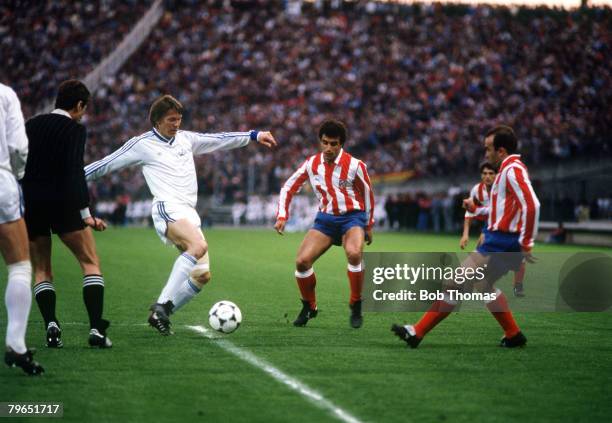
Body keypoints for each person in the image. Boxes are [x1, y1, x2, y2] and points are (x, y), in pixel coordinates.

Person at [85, 94, 277, 335]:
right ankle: (162, 304)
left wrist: (253, 135)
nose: (176, 124)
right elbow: (106, 164)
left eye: (179, 119)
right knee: (197, 246)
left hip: (189, 213)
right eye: (171, 120)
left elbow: (218, 140)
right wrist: (72, 178)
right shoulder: (142, 144)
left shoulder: (185, 139)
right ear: (156, 121)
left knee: (202, 275)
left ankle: (161, 314)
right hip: (167, 207)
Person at [392, 125, 540, 348]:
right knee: (481, 285)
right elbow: (501, 210)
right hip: (498, 239)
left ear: (501, 151)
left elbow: (532, 204)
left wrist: (527, 242)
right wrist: (477, 209)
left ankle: (417, 332)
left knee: (454, 282)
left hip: (502, 241)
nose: (485, 154)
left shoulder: (512, 170)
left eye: (488, 149)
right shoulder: (508, 170)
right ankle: (513, 334)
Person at [22, 79, 111, 349]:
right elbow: (75, 173)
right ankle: (96, 329)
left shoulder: (31, 125)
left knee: (42, 270)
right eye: (84, 108)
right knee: (90, 263)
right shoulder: (75, 130)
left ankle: (51, 323)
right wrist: (86, 214)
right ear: (79, 104)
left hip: (32, 204)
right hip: (63, 204)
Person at [274, 119, 374, 328]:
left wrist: (369, 224)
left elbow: (367, 194)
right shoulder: (312, 164)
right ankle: (310, 307)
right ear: (320, 141)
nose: (328, 148)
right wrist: (282, 215)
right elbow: (288, 187)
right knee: (302, 262)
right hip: (326, 221)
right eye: (325, 142)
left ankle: (356, 303)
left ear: (341, 144)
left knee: (355, 254)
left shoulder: (355, 165)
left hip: (352, 217)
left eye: (334, 144)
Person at [0, 82, 44, 375]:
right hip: (0, 183)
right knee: (19, 265)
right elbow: (18, 147)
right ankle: (16, 344)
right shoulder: (4, 94)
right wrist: (14, 175)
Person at [460, 162, 527, 297]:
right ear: (481, 175)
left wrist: (476, 209)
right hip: (490, 226)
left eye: (491, 173)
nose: (488, 176)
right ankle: (473, 280)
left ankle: (517, 285)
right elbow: (468, 213)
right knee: (480, 248)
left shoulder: (504, 189)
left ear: (497, 175)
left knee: (520, 259)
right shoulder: (476, 190)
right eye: (485, 174)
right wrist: (465, 234)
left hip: (509, 227)